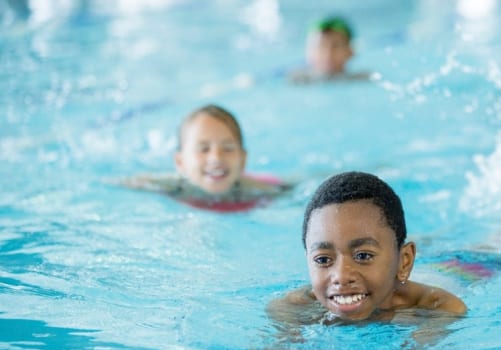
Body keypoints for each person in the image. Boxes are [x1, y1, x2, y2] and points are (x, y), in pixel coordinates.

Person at [267, 171, 466, 325]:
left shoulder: (437, 308)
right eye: (323, 260)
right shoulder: (293, 309)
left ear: (404, 261)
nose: (342, 276)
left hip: (457, 271)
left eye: (363, 256)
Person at [121, 104, 290, 212]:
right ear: (180, 162)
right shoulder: (173, 187)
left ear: (243, 160)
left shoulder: (262, 191)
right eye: (203, 149)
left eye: (228, 148)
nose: (216, 158)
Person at [288, 16, 370, 84]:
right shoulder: (297, 80)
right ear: (307, 51)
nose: (327, 53)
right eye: (319, 46)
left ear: (351, 51)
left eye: (336, 46)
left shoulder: (361, 79)